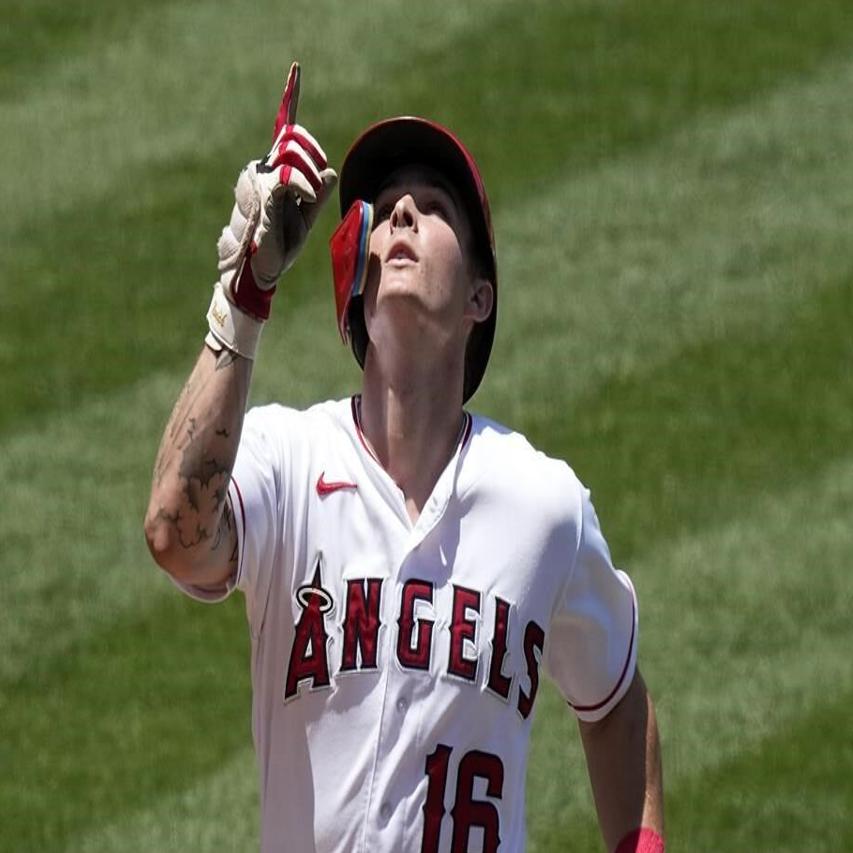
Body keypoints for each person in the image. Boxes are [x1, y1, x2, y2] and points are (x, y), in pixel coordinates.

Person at [144, 63, 664, 853]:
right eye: (384, 212)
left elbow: (617, 696)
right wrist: (244, 299)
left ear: (478, 299)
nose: (403, 214)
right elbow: (176, 536)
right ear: (354, 285)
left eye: (433, 207)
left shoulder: (541, 505)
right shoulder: (289, 462)